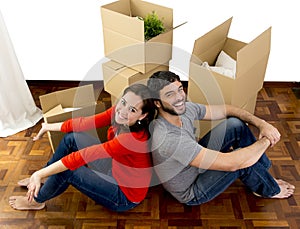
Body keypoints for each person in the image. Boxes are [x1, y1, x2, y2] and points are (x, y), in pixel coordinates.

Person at [147, 70, 295, 206]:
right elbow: (233, 163)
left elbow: (226, 109)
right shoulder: (169, 139)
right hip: (192, 190)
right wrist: (267, 139)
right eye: (169, 94)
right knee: (243, 158)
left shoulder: (183, 109)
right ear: (157, 103)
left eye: (179, 89)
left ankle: (261, 175)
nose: (179, 97)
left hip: (196, 165)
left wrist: (262, 124)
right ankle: (269, 189)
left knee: (235, 125)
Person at [9, 84, 155, 212]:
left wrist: (38, 173)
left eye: (132, 110)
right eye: (123, 102)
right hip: (115, 167)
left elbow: (82, 156)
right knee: (72, 139)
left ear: (143, 116)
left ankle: (36, 201)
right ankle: (46, 178)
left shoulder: (131, 140)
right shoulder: (120, 113)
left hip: (124, 195)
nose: (123, 111)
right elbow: (85, 122)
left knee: (69, 170)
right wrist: (48, 127)